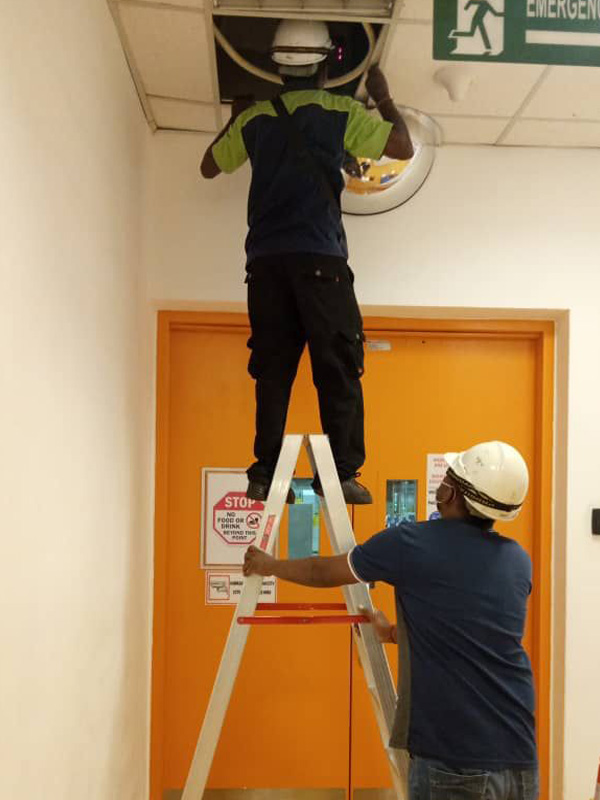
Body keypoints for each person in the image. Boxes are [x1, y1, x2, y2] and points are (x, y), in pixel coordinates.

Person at [243, 441, 539, 800]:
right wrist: (392, 633)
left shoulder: (413, 543)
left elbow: (323, 571)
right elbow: (472, 631)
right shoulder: (517, 561)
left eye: (447, 479)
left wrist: (268, 565)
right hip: (518, 754)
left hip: (452, 755)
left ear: (450, 493)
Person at [200, 20, 413, 505]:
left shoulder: (257, 119)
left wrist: (236, 118)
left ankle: (263, 474)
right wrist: (382, 97)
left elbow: (209, 166)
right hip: (321, 261)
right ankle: (340, 473)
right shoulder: (339, 111)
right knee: (337, 365)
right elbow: (403, 146)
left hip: (266, 268)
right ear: (324, 68)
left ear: (278, 68)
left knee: (273, 371)